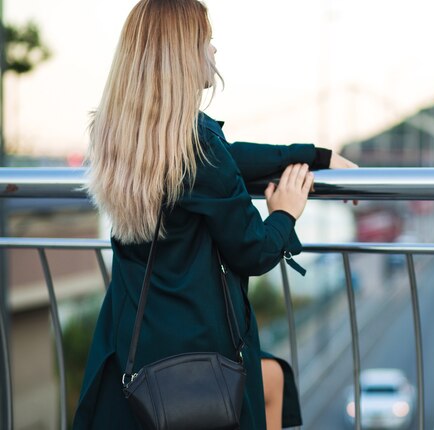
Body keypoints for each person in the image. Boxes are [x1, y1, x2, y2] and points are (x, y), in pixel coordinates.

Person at [72, 0, 357, 429]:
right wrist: (285, 213)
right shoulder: (196, 143)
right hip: (196, 353)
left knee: (275, 378)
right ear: (185, 53)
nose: (214, 52)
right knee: (270, 383)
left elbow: (227, 159)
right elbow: (253, 253)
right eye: (207, 41)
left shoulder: (120, 134)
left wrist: (312, 155)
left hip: (136, 339)